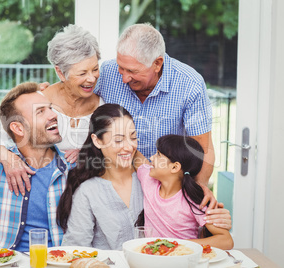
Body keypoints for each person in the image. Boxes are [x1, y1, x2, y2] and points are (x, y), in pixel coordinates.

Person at [57, 104, 231, 250]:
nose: (129, 146)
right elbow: (75, 250)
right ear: (97, 141)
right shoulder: (88, 191)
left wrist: (200, 190)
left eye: (133, 137)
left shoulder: (153, 179)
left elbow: (180, 186)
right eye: (118, 140)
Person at [0, 24, 104, 195]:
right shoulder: (39, 102)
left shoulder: (103, 107)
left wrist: (90, 153)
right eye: (82, 73)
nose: (91, 78)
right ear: (60, 72)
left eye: (95, 69)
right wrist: (9, 159)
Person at [0, 82, 74, 251]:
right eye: (40, 111)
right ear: (18, 128)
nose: (53, 115)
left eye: (50, 108)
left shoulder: (73, 170)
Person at [94, 23, 215, 192]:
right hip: (114, 183)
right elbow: (75, 96)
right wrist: (45, 92)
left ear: (157, 64)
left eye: (132, 71)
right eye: (121, 68)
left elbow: (202, 149)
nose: (124, 78)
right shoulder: (107, 72)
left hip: (165, 188)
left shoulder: (190, 84)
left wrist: (197, 192)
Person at [137, 134, 233, 249]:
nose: (151, 158)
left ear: (174, 167)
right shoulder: (148, 179)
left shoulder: (193, 200)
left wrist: (180, 245)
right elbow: (133, 153)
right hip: (152, 257)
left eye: (158, 154)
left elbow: (226, 241)